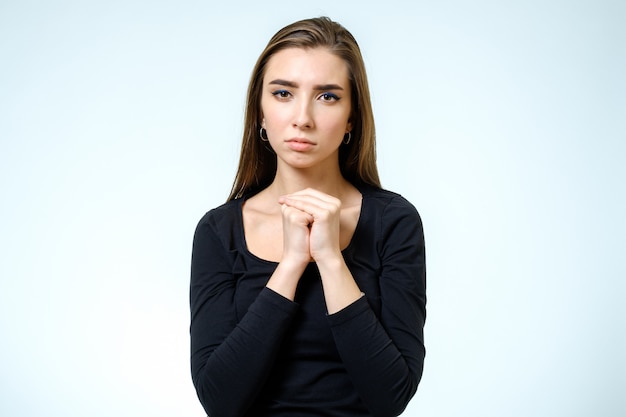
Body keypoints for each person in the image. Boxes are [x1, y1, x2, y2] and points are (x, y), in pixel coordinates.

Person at [190, 16, 426, 417]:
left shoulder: (393, 222)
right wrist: (292, 263)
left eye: (327, 96)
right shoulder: (219, 231)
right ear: (260, 112)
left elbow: (390, 397)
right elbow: (220, 400)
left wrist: (331, 259)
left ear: (352, 117)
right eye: (283, 93)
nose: (302, 118)